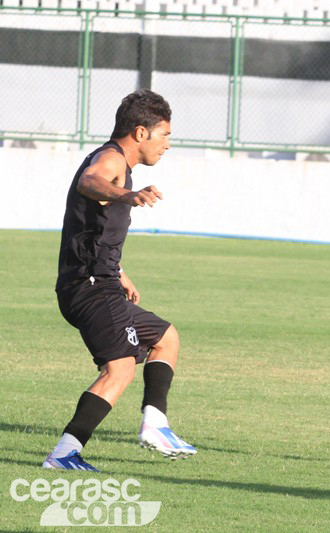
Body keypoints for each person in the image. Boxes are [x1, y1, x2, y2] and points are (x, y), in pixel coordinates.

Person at [43, 90, 196, 472]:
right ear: (141, 133)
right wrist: (128, 194)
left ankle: (156, 425)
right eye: (165, 135)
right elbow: (90, 183)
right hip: (88, 287)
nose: (168, 144)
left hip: (103, 281)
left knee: (166, 337)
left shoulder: (119, 164)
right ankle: (64, 453)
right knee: (121, 367)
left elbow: (93, 230)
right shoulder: (110, 159)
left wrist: (121, 272)